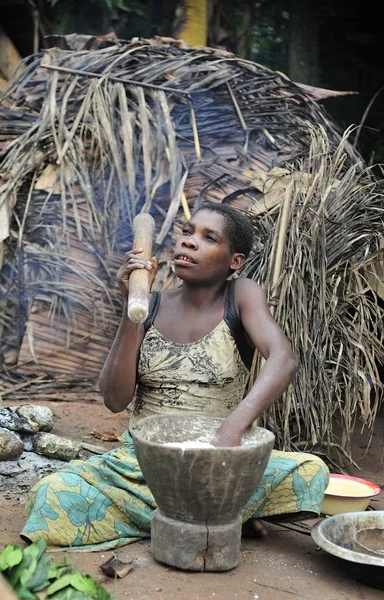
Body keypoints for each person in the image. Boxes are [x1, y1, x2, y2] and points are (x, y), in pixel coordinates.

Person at [21, 203, 329, 551]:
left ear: (235, 261)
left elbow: (283, 359)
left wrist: (232, 429)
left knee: (310, 471)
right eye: (187, 232)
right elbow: (114, 399)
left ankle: (181, 515)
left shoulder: (241, 296)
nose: (189, 242)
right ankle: (216, 516)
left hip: (219, 462)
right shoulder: (148, 305)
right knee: (51, 494)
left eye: (208, 237)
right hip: (141, 468)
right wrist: (131, 306)